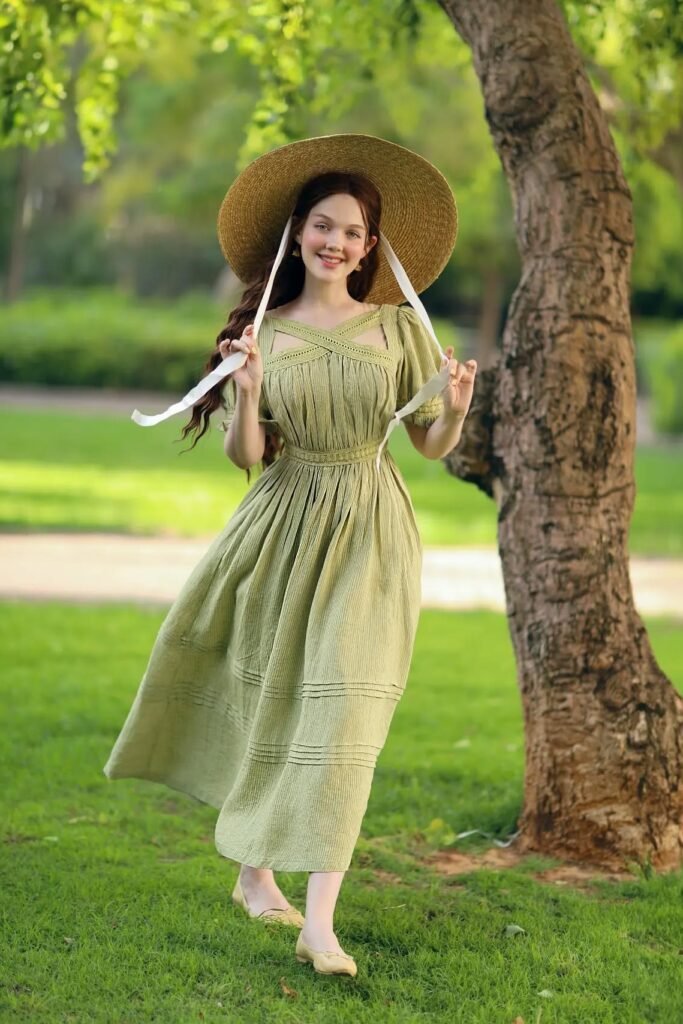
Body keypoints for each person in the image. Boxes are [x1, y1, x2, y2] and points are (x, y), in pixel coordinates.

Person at [103, 133, 477, 978]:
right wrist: (244, 393)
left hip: (370, 525)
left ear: (370, 246)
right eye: (320, 225)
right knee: (273, 695)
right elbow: (247, 459)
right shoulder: (265, 332)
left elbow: (426, 446)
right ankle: (255, 873)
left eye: (350, 231)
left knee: (345, 716)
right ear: (296, 234)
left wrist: (452, 407)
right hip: (281, 522)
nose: (334, 241)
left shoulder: (396, 329)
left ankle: (319, 923)